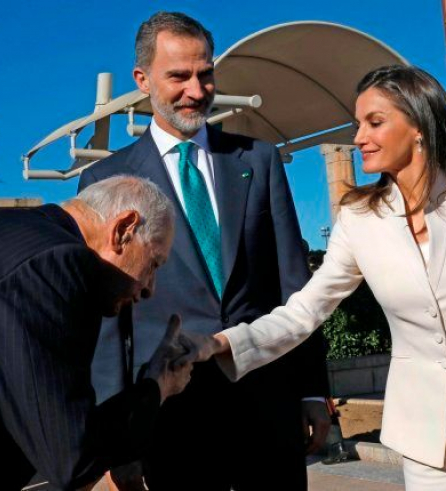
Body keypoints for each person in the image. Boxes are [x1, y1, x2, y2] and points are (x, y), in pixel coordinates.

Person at [203, 65, 446, 490]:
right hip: (425, 436)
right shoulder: (358, 219)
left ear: (418, 127)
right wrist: (225, 343)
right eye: (358, 124)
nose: (359, 137)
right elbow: (303, 312)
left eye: (375, 122)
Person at [78, 12, 329, 490]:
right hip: (171, 417)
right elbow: (108, 321)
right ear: (142, 79)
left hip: (267, 405)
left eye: (205, 74)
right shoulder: (105, 181)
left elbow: (295, 285)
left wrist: (312, 391)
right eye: (179, 76)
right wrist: (113, 433)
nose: (196, 91)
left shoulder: (259, 160)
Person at [0, 176, 195, 490]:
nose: (149, 289)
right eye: (154, 264)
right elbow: (72, 458)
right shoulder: (56, 263)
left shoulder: (6, 230)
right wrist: (158, 386)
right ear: (124, 229)